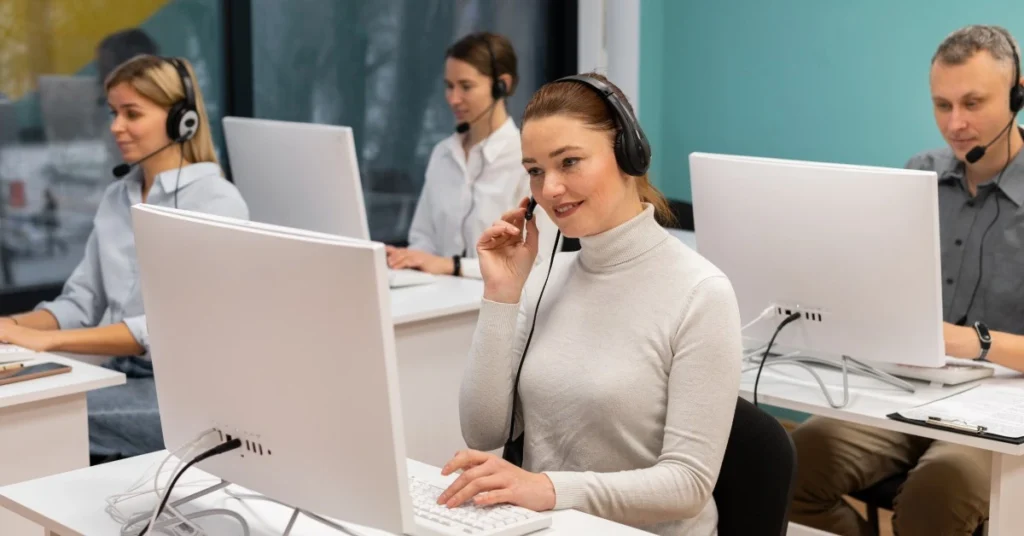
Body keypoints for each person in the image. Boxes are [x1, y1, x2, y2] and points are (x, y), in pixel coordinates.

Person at [438, 73, 743, 536]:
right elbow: (483, 432)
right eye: (536, 170)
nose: (551, 188)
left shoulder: (700, 292)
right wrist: (501, 296)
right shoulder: (545, 279)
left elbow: (689, 484)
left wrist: (549, 489)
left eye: (570, 162)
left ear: (628, 154)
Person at [790, 24, 1024, 536]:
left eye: (973, 103)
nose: (956, 124)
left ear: (1017, 94)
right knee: (790, 464)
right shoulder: (920, 174)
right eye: (942, 105)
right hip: (905, 388)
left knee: (933, 498)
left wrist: (975, 343)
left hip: (1003, 413)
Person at [0, 55, 248, 462]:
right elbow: (81, 303)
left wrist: (48, 341)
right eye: (114, 112)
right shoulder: (119, 198)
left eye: (132, 114)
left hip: (180, 394)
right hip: (115, 373)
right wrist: (12, 326)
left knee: (30, 416)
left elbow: (166, 329)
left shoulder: (218, 203)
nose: (116, 127)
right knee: (22, 402)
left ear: (180, 120)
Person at [386, 32, 556, 279]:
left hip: (501, 303)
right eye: (449, 86)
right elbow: (423, 239)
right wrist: (408, 259)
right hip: (438, 297)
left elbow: (539, 262)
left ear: (502, 86)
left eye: (466, 86)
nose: (453, 99)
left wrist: (454, 266)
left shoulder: (529, 159)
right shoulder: (443, 154)